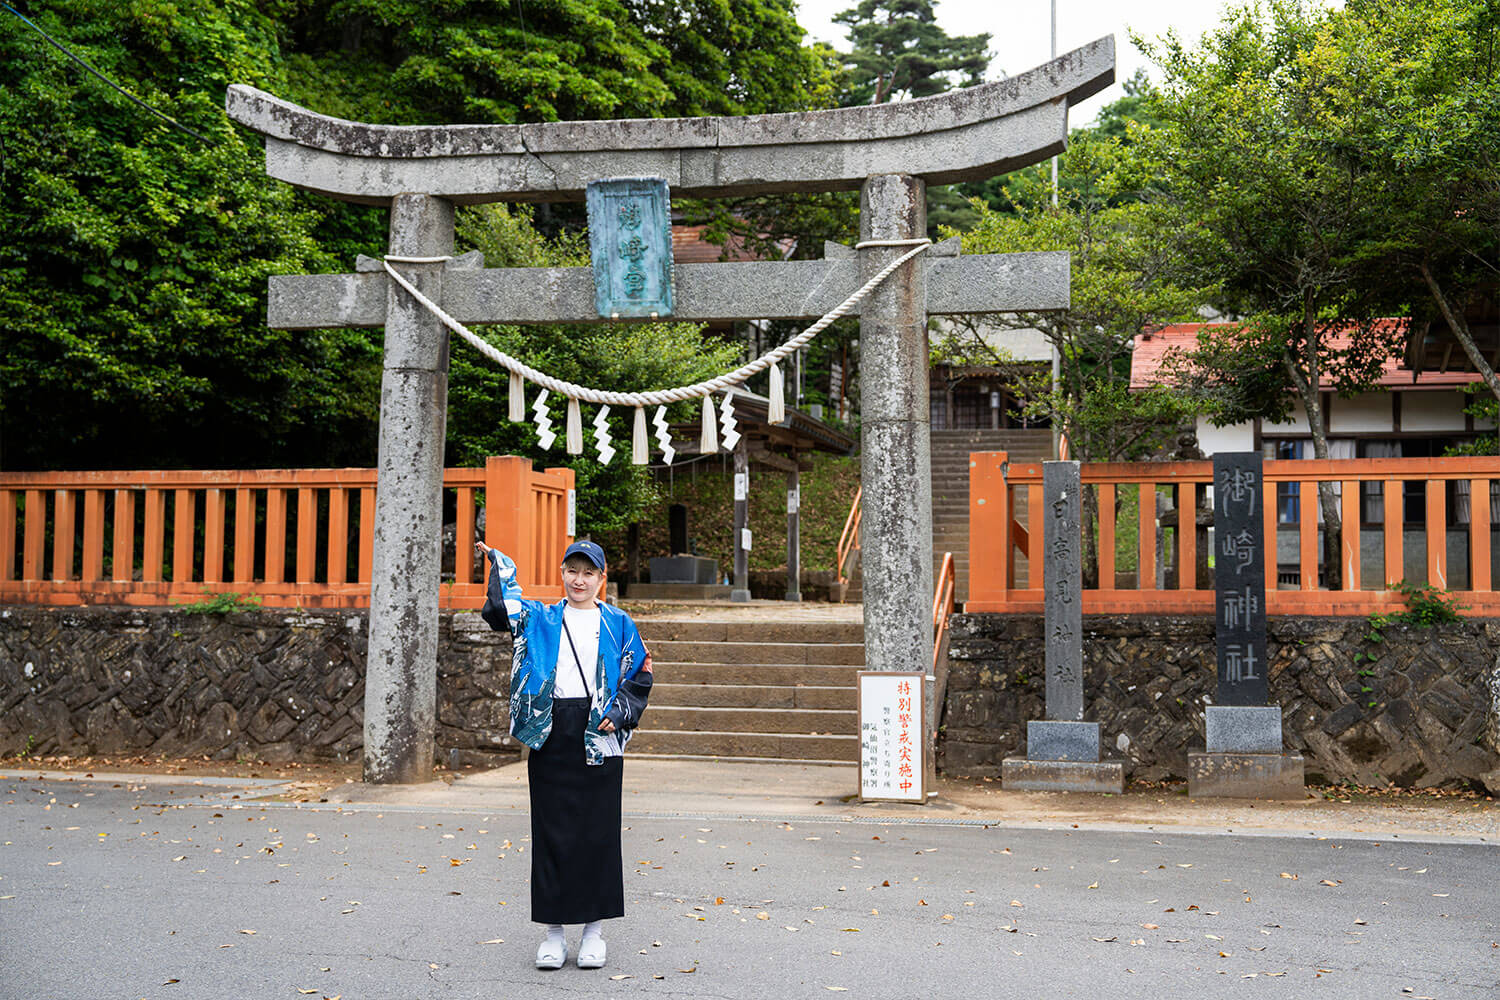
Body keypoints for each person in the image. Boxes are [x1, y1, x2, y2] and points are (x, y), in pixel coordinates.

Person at [476, 537, 652, 971]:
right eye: (572, 570)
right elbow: (502, 611)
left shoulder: (618, 622)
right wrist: (500, 565)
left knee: (598, 833)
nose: (579, 579)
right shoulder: (540, 617)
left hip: (600, 732)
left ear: (601, 578)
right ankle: (553, 933)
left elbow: (640, 672)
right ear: (562, 573)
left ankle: (593, 931)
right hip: (550, 727)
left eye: (589, 572)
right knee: (552, 831)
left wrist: (620, 710)